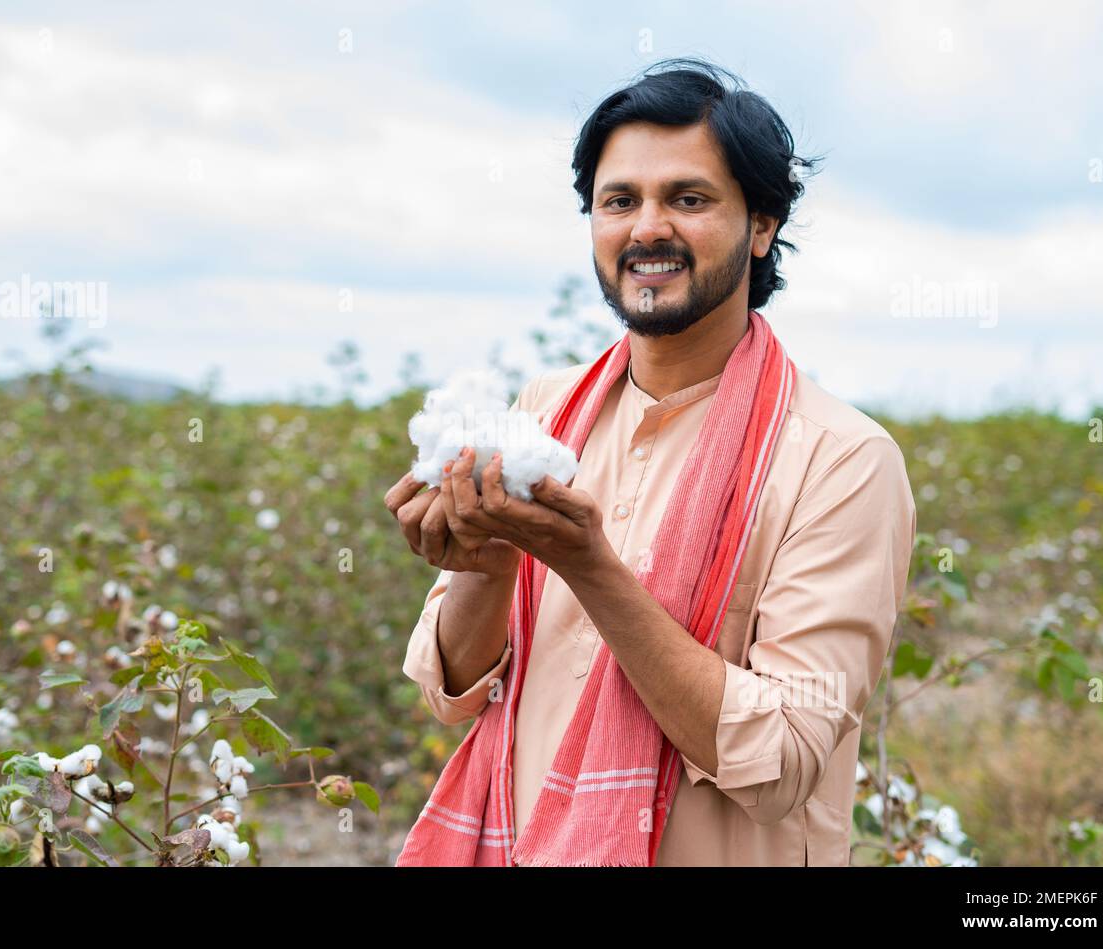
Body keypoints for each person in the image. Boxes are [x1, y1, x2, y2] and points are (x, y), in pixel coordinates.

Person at [385, 58, 915, 866]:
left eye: (689, 199)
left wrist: (589, 568)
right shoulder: (542, 414)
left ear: (763, 224)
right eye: (619, 201)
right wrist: (484, 568)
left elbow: (781, 763)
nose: (647, 229)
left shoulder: (841, 461)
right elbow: (451, 690)